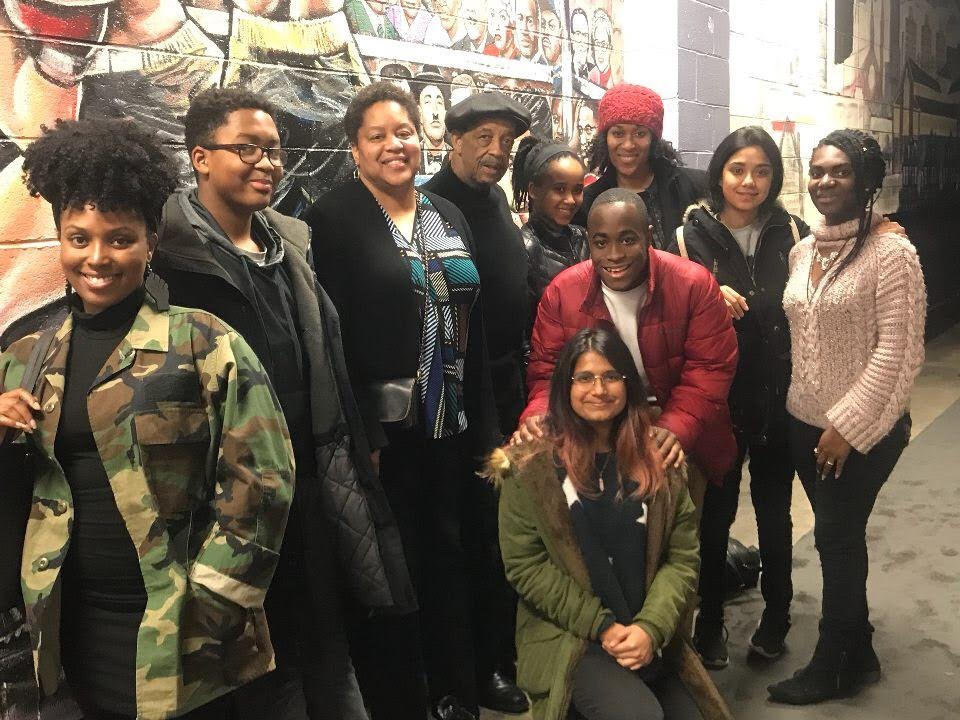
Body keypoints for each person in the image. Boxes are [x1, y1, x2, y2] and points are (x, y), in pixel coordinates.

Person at [0, 117, 294, 719]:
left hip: (181, 632)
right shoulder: (28, 357)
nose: (97, 258)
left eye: (119, 239)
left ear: (150, 241)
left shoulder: (203, 341)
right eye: (79, 239)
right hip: (68, 631)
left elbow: (265, 482)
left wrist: (212, 604)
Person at [155, 87, 413, 719]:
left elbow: (329, 358)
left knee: (325, 638)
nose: (266, 163)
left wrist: (361, 443)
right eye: (247, 149)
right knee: (260, 664)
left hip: (310, 479)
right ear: (200, 157)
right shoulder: (169, 262)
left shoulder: (290, 249)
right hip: (228, 493)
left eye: (273, 150)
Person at [304, 82, 502, 720]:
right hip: (386, 437)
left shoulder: (447, 212)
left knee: (453, 552)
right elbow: (331, 341)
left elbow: (476, 325)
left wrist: (489, 430)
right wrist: (364, 437)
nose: (395, 145)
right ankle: (406, 700)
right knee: (397, 566)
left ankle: (457, 689)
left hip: (453, 422)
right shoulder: (332, 219)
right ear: (355, 149)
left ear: (423, 138)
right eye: (378, 135)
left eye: (405, 132)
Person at [489, 327, 732, 720]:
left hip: (644, 630)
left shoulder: (660, 460)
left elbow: (682, 559)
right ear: (565, 386)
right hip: (571, 637)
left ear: (628, 383)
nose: (598, 389)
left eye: (610, 376)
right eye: (584, 378)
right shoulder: (531, 467)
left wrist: (650, 628)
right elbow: (525, 566)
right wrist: (602, 626)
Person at [767, 129, 926, 704]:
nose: (825, 181)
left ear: (865, 182)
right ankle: (859, 651)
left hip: (863, 431)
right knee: (841, 536)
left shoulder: (892, 254)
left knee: (834, 540)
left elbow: (898, 351)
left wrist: (847, 428)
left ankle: (834, 663)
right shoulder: (802, 251)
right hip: (802, 422)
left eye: (839, 171)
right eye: (817, 171)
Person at [667, 126, 809, 669]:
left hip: (778, 395)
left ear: (774, 177)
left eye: (762, 171)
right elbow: (667, 304)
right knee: (714, 517)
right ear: (719, 173)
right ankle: (710, 621)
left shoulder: (792, 232)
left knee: (775, 513)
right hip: (718, 402)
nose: (749, 182)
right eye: (737, 170)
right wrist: (705, 290)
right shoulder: (688, 237)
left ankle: (778, 613)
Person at [516, 189, 738, 509]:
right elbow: (547, 373)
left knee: (679, 530)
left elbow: (710, 369)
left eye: (628, 240)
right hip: (593, 429)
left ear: (648, 236)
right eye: (601, 242)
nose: (614, 254)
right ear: (589, 242)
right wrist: (539, 414)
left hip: (678, 425)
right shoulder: (562, 292)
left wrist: (675, 427)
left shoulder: (693, 285)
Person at [422, 89, 532, 716]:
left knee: (503, 533)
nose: (496, 151)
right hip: (459, 398)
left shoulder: (495, 203)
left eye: (506, 142)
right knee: (463, 536)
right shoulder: (433, 208)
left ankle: (499, 656)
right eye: (483, 138)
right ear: (454, 139)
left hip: (509, 391)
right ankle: (466, 672)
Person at [575, 84, 707, 250]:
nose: (628, 145)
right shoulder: (589, 202)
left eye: (640, 134)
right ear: (605, 138)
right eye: (618, 133)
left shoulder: (693, 187)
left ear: (653, 139)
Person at [512, 135, 588, 330]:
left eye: (577, 190)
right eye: (560, 189)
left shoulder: (583, 238)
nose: (570, 200)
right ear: (533, 190)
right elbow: (521, 330)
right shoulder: (522, 249)